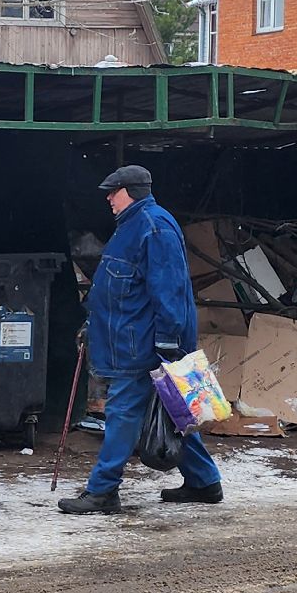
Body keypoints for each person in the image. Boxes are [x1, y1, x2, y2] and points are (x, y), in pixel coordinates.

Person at [59, 165, 223, 515]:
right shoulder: (132, 226)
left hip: (143, 345)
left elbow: (170, 290)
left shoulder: (153, 227)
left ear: (130, 191)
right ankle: (205, 482)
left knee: (122, 411)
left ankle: (103, 490)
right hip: (132, 339)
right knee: (174, 411)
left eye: (113, 191)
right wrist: (94, 320)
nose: (108, 198)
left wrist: (166, 341)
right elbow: (117, 289)